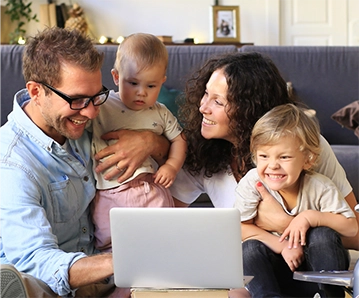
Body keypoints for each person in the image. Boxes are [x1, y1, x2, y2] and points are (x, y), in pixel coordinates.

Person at [169, 51, 359, 297]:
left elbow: (355, 235)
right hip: (259, 271)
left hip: (312, 267)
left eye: (218, 101)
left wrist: (288, 223)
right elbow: (165, 220)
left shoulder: (306, 147)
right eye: (206, 94)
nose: (203, 107)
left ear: (248, 108)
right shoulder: (203, 152)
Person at [0, 27, 169, 298]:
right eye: (77, 100)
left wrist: (151, 142)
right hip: (51, 277)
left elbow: (170, 145)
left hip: (101, 274)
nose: (90, 111)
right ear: (35, 91)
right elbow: (35, 259)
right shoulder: (12, 164)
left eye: (96, 96)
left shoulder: (88, 122)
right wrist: (127, 258)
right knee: (32, 284)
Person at [234, 103, 357, 298]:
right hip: (278, 271)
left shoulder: (320, 186)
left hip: (317, 274)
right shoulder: (252, 183)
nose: (272, 165)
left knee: (321, 234)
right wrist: (282, 245)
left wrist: (310, 217)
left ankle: (329, 296)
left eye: (284, 157)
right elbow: (239, 228)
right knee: (249, 249)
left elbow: (351, 227)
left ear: (308, 159)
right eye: (264, 156)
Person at [90, 33, 186, 252]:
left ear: (162, 81)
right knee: (110, 246)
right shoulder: (102, 107)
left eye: (151, 86)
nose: (141, 92)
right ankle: (114, 284)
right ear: (116, 77)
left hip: (150, 189)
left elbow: (180, 140)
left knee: (163, 243)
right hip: (109, 193)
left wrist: (171, 165)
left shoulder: (160, 112)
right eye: (133, 83)